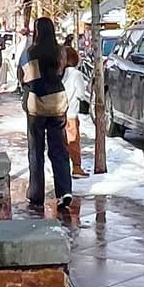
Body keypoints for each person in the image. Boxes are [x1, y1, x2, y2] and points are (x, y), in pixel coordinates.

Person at [21, 15, 72, 212]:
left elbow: (25, 77)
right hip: (57, 103)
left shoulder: (30, 52)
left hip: (36, 105)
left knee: (36, 151)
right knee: (59, 148)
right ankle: (64, 190)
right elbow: (62, 73)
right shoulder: (59, 52)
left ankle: (36, 193)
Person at [61, 44, 89, 178]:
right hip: (72, 112)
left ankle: (63, 167)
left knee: (62, 142)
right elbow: (81, 94)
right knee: (74, 141)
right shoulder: (76, 74)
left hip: (60, 112)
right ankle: (77, 167)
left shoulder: (60, 74)